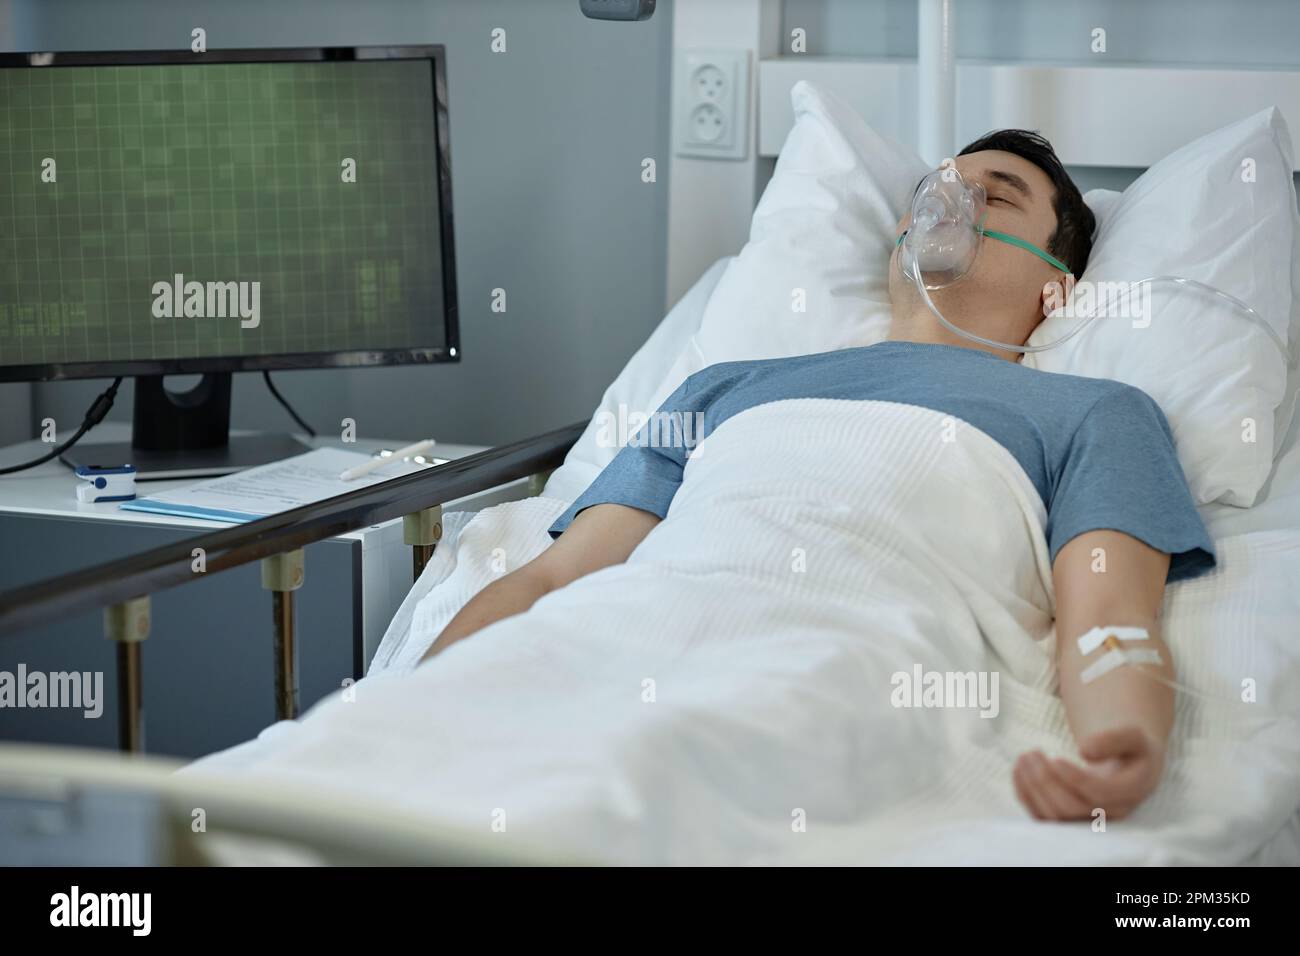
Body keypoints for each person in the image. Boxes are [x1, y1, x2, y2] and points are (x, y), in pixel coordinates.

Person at [421, 130, 1216, 823]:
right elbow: (552, 578)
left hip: (849, 681)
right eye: (937, 191)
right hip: (615, 662)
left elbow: (1109, 618)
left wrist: (1126, 742)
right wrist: (423, 698)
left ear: (1057, 286)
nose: (953, 204)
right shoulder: (719, 386)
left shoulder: (1095, 411)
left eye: (996, 198)